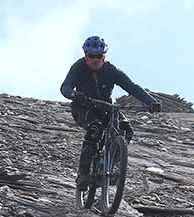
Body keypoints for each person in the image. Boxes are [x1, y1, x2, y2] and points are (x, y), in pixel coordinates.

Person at [60, 36, 160, 189]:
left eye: (98, 56)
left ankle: (107, 165)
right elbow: (65, 87)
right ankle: (83, 174)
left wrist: (150, 101)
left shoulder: (111, 71)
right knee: (95, 128)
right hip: (83, 107)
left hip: (106, 107)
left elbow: (131, 87)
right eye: (91, 56)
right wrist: (74, 95)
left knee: (127, 131)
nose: (95, 59)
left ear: (104, 56)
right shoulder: (78, 67)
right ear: (86, 56)